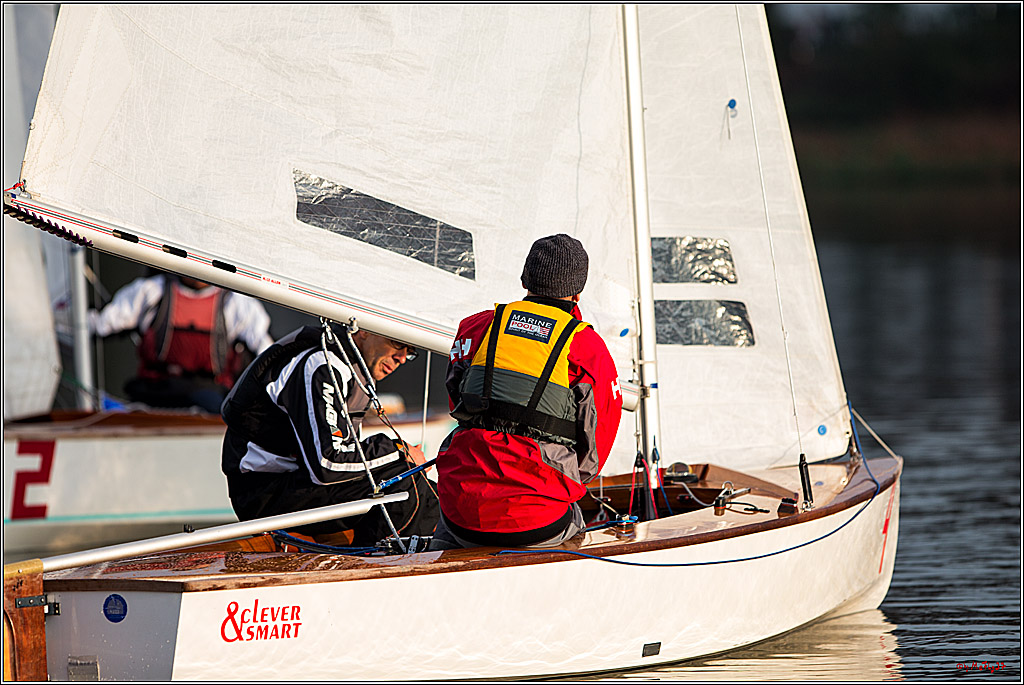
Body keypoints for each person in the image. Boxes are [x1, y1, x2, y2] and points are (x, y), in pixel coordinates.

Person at [431, 234, 623, 550]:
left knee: (448, 530)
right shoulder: (587, 348)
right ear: (578, 292)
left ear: (524, 279)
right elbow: (593, 455)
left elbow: (458, 403)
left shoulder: (475, 327)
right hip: (536, 519)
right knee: (578, 523)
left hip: (461, 510)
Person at [220, 324, 439, 546]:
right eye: (398, 344)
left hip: (298, 482)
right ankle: (378, 561)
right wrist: (398, 450)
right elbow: (327, 464)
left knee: (430, 492)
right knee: (406, 485)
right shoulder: (322, 365)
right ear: (365, 330)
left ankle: (407, 555)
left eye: (410, 352)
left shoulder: (357, 370)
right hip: (264, 492)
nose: (402, 358)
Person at [89, 272, 274, 413]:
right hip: (154, 391)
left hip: (210, 395)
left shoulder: (236, 303)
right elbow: (100, 323)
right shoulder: (152, 291)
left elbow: (267, 352)